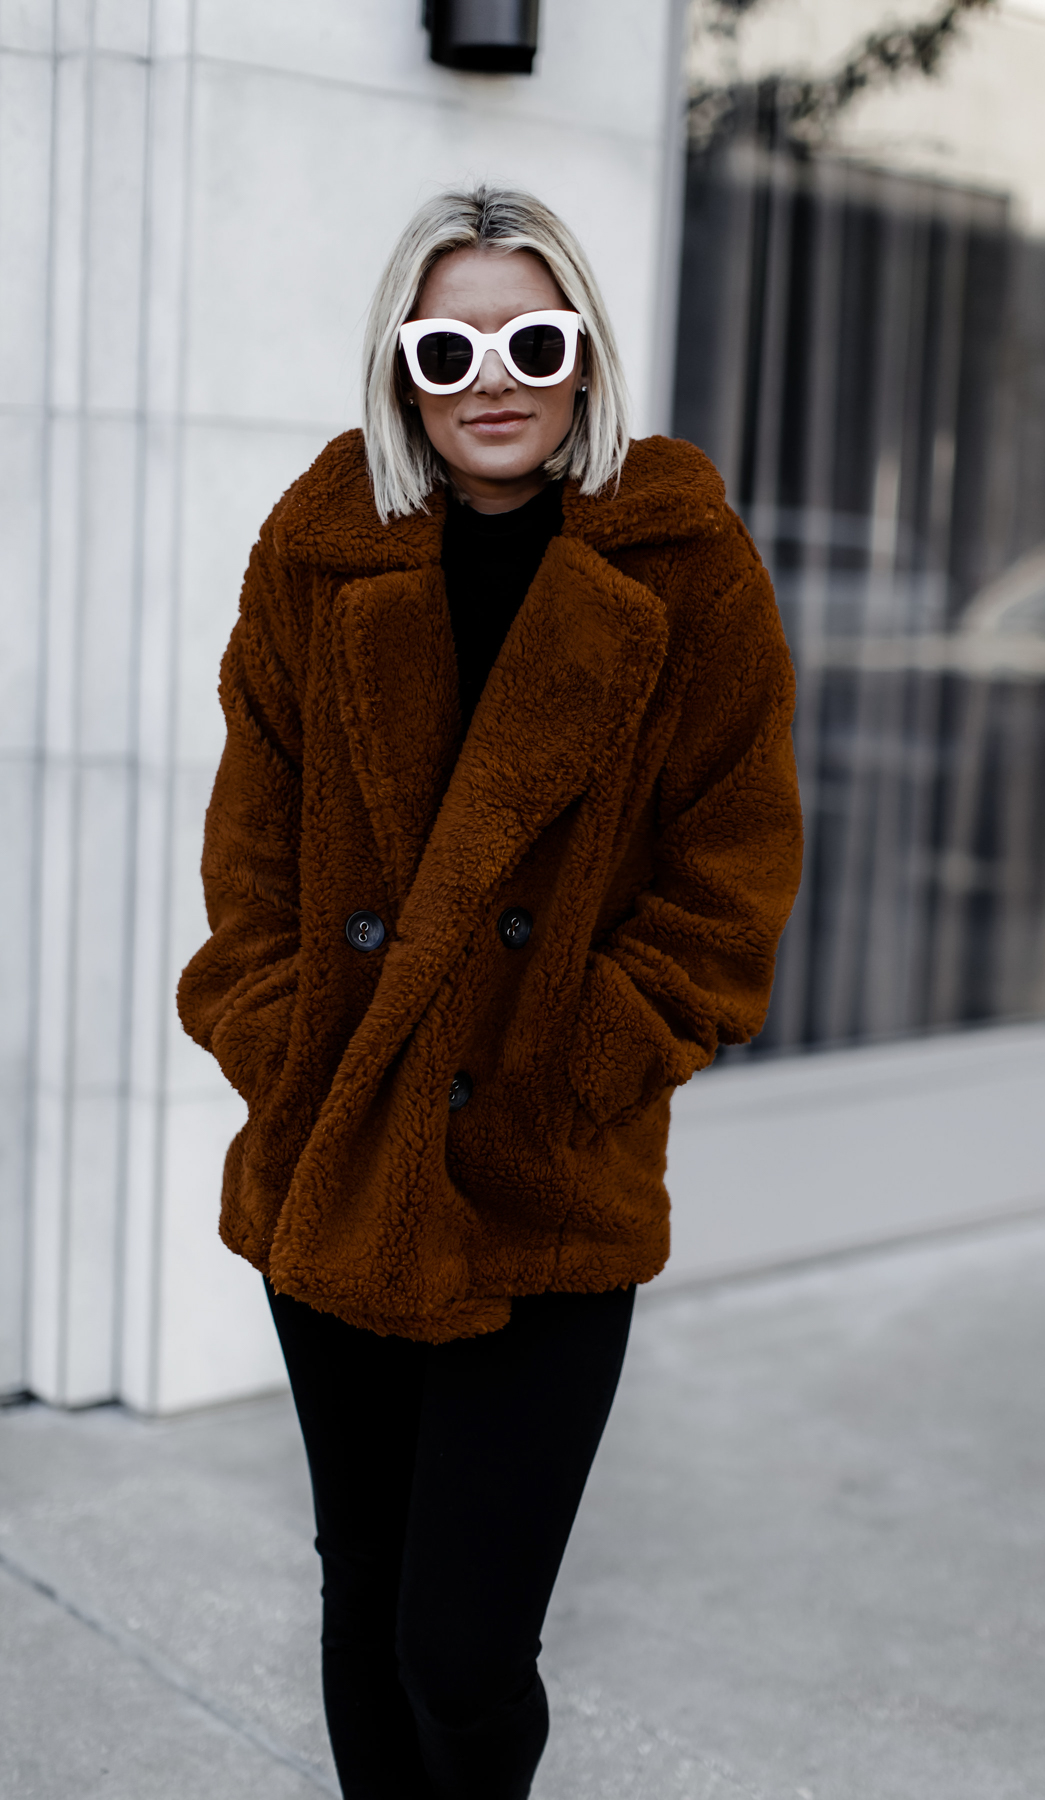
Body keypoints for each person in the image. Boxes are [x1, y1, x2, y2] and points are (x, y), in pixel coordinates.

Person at [177, 185, 803, 1800]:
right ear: (402, 365)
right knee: (366, 1599)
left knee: (461, 1648)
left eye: (533, 339)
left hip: (545, 1174)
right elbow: (250, 857)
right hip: (343, 1159)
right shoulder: (318, 555)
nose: (494, 380)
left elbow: (732, 869)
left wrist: (588, 1058)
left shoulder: (687, 567)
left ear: (585, 354)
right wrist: (289, 1053)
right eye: (449, 348)